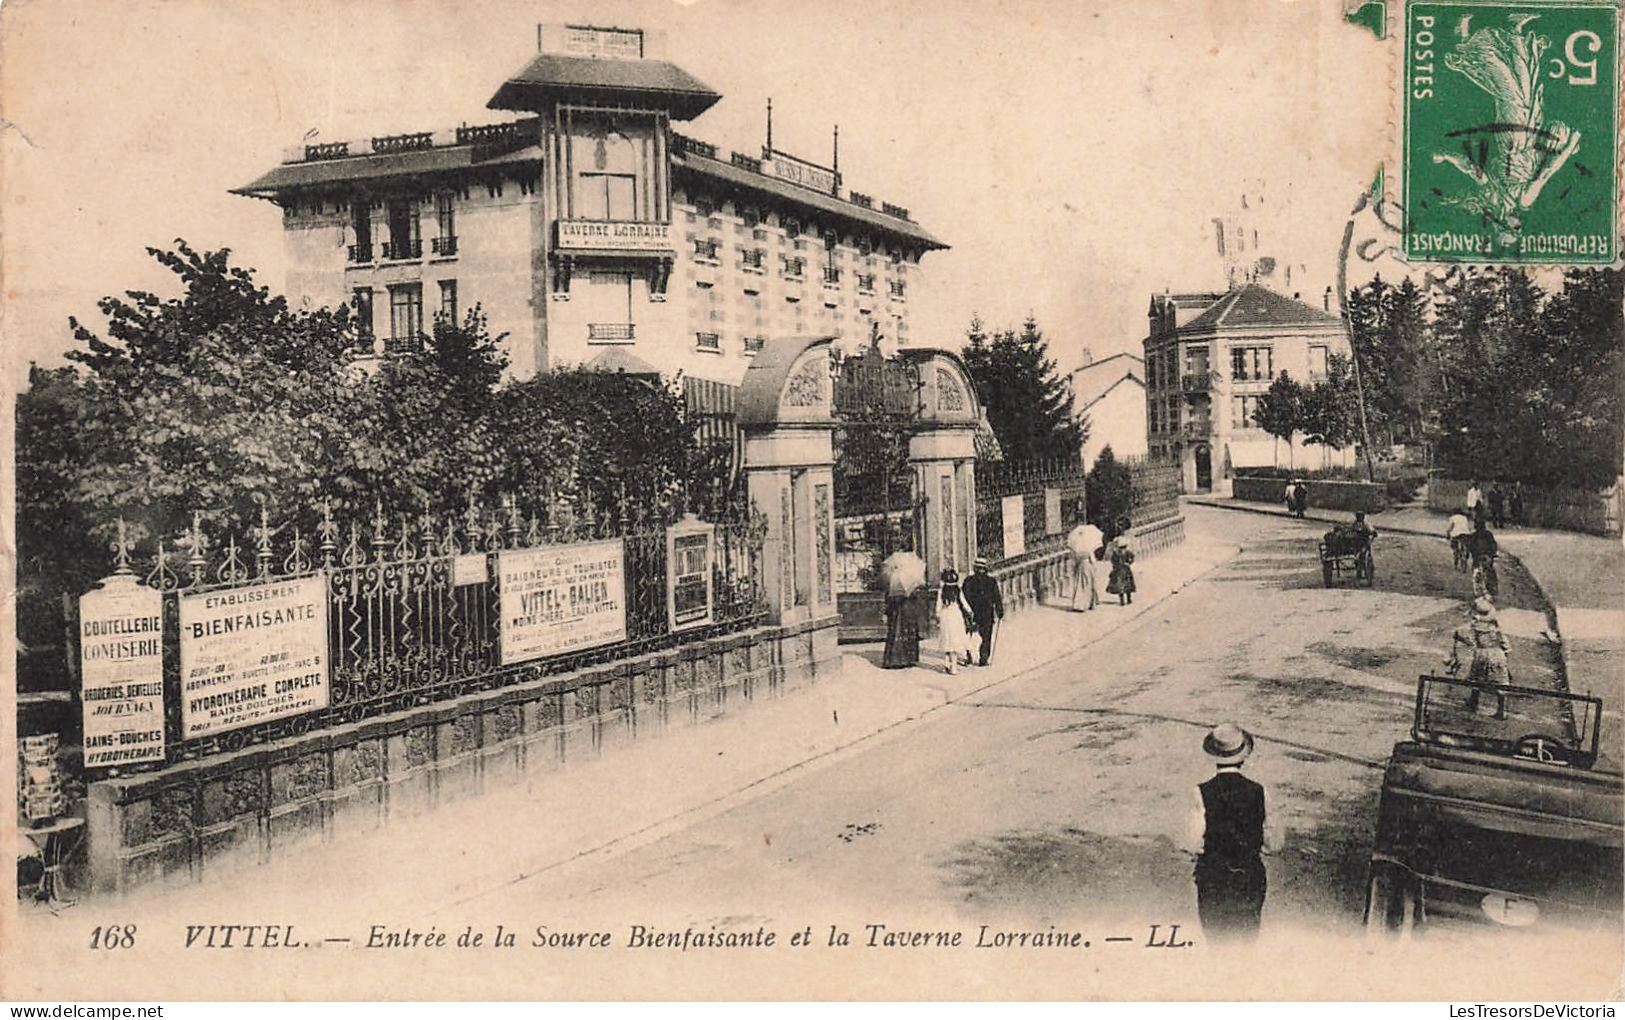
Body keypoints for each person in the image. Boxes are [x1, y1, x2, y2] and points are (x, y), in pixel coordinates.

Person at [1186, 723, 1282, 943]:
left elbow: (1192, 841)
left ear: (1214, 757)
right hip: (1248, 875)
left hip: (1214, 876)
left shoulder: (1200, 792)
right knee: (1247, 940)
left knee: (1216, 940)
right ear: (1243, 757)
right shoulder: (1260, 792)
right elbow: (1274, 843)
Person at [1446, 597, 1512, 719]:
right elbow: (1506, 645)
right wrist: (1505, 657)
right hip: (1498, 655)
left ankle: (1473, 702)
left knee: (1476, 678)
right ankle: (1502, 710)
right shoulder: (1497, 628)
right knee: (1500, 681)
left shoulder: (1476, 628)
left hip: (1482, 655)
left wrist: (1459, 638)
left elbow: (1471, 643)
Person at [961, 558, 1004, 667]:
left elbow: (963, 597)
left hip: (973, 612)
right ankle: (983, 657)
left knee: (970, 635)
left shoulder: (968, 581)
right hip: (985, 612)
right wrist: (999, 610)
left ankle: (971, 656)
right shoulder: (991, 581)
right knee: (986, 636)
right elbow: (997, 597)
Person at [935, 568, 976, 674]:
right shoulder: (957, 589)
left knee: (946, 639)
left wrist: (937, 615)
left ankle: (946, 664)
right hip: (956, 615)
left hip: (945, 615)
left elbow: (938, 605)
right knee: (954, 640)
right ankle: (953, 667)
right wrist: (970, 611)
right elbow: (964, 602)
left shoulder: (942, 590)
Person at [881, 567, 921, 669]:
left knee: (897, 632)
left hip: (899, 611)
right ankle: (908, 659)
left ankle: (896, 660)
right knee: (906, 632)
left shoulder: (894, 581)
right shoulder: (911, 580)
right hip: (905, 610)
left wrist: (886, 611)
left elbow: (889, 599)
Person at [1068, 520, 1104, 611]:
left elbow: (1074, 560)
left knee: (1080, 584)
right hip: (1088, 566)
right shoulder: (1089, 548)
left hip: (1080, 566)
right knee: (1089, 583)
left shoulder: (1077, 549)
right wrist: (1094, 566)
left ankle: (1079, 604)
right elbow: (1092, 560)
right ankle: (1090, 603)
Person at [1106, 518, 1137, 606]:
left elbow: (1112, 560)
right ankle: (1129, 599)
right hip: (1126, 569)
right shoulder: (1127, 552)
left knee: (1120, 586)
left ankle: (1122, 600)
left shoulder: (1116, 553)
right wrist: (1129, 563)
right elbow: (1132, 557)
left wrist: (1114, 566)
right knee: (1127, 585)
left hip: (1118, 570)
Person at [1467, 519, 1499, 600]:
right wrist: (1493, 553)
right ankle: (1492, 590)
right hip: (1487, 555)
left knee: (1476, 571)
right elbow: (1493, 545)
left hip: (1477, 556)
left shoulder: (1474, 535)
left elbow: (1470, 546)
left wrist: (1470, 554)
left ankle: (1477, 591)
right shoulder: (1488, 534)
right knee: (1490, 571)